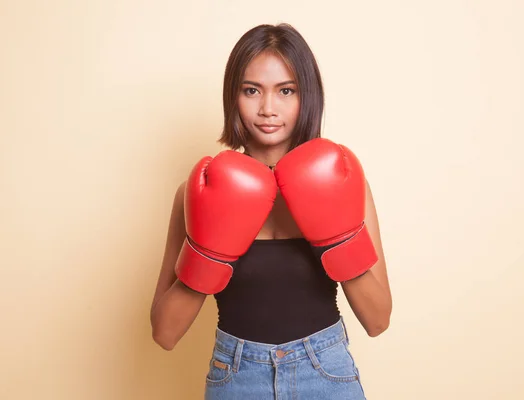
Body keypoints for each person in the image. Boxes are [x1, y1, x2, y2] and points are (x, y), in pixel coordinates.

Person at [150, 23, 392, 399]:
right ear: (234, 97)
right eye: (251, 90)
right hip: (237, 377)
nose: (267, 108)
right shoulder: (196, 192)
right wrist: (209, 251)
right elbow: (164, 333)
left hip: (326, 375)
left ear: (306, 97)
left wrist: (338, 237)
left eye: (286, 91)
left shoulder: (345, 184)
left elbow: (378, 320)